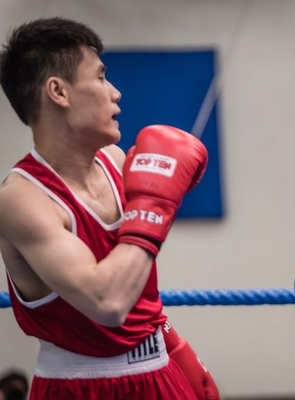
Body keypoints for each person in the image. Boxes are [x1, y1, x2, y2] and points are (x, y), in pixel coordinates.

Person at [0, 17, 219, 399]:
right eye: (100, 77)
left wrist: (171, 344)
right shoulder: (22, 199)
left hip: (158, 371)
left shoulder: (117, 162)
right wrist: (153, 209)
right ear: (58, 92)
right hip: (77, 388)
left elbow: (136, 293)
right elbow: (107, 302)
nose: (115, 93)